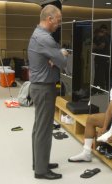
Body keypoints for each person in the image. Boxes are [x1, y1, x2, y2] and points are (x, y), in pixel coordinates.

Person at [28, 5, 68, 180]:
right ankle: (41, 171)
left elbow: (55, 59)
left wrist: (55, 57)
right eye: (58, 21)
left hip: (39, 86)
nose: (59, 24)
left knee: (39, 127)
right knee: (44, 129)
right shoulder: (46, 39)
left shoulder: (38, 35)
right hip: (44, 87)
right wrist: (61, 54)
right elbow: (63, 62)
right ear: (49, 19)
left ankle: (39, 162)